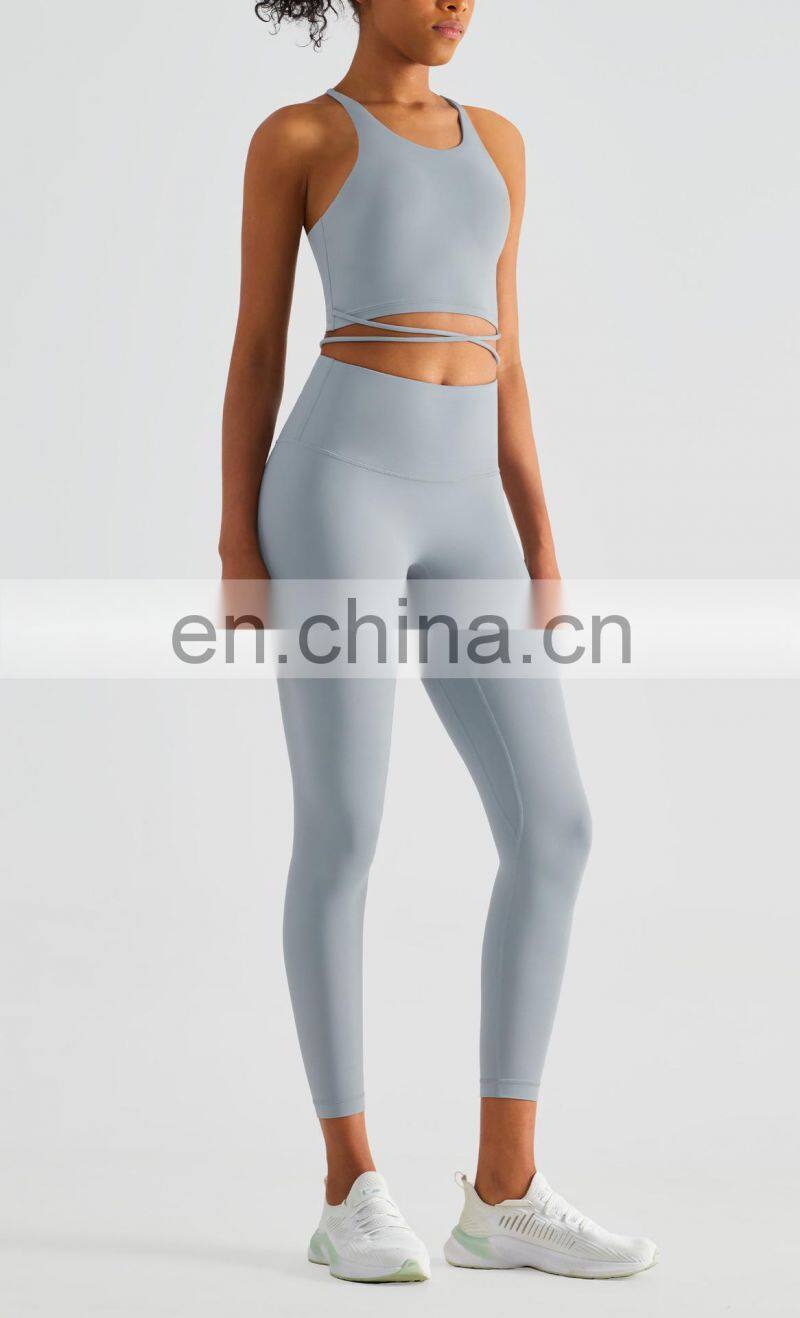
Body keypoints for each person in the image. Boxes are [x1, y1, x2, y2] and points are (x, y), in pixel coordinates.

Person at [220, 0, 658, 1283]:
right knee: (344, 827)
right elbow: (257, 346)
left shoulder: (498, 141)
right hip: (335, 490)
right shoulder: (301, 137)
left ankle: (502, 1195)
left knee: (554, 824)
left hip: (470, 506)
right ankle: (347, 1185)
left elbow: (504, 350)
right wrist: (237, 541)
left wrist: (539, 535)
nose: (455, 1)